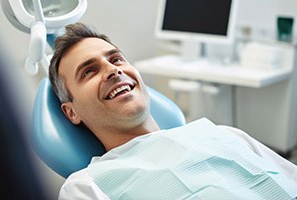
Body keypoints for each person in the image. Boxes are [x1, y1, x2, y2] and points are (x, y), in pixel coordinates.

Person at [49, 23, 297, 199]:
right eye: (89, 71)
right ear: (71, 112)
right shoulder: (86, 186)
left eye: (116, 59)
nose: (113, 70)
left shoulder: (224, 134)